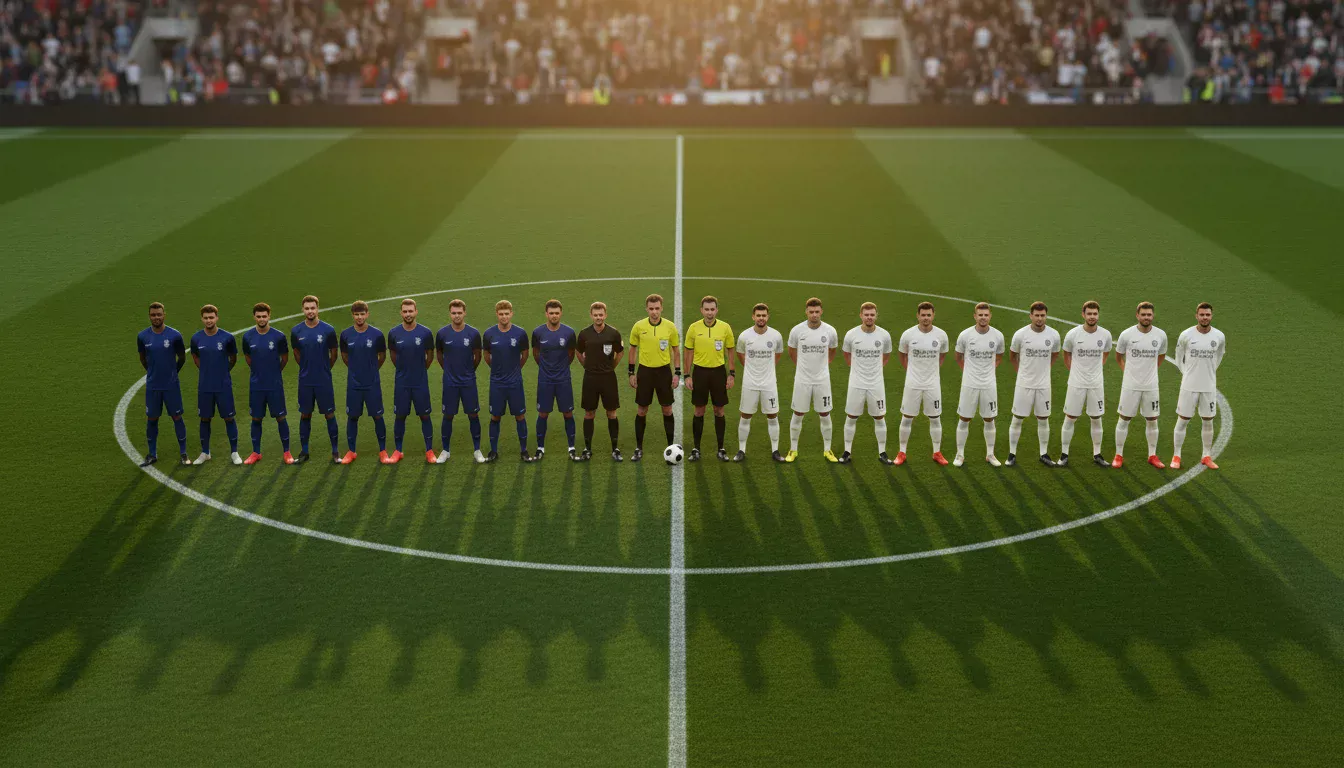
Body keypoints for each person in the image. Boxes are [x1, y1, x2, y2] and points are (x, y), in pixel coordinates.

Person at [1113, 301, 1168, 469]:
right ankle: (1118, 455)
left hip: (1151, 386)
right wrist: (1128, 372)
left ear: (1153, 316)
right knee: (1124, 418)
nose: (1146, 317)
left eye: (1149, 314)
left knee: (1152, 419)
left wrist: (1149, 372)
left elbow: (1161, 356)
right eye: (1143, 314)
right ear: (1137, 315)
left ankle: (1152, 455)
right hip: (1130, 385)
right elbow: (1118, 356)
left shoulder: (1160, 335)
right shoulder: (1127, 334)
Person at [1007, 302, 1061, 467]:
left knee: (1043, 419)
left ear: (1046, 316)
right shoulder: (1021, 335)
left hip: (1044, 385)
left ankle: (1043, 454)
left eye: (1042, 315)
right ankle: (1011, 454)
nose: (1039, 318)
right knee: (1017, 419)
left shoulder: (1053, 335)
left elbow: (1055, 354)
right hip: (1024, 384)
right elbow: (1013, 356)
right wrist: (1022, 373)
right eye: (1036, 315)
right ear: (1030, 316)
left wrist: (1044, 370)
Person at [1171, 302, 1225, 469]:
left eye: (1207, 315)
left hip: (1208, 386)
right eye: (1202, 314)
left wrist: (1208, 372)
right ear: (1196, 316)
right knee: (1183, 420)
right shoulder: (1186, 335)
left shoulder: (1219, 336)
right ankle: (1176, 456)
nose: (1205, 317)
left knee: (1208, 420)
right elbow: (1178, 358)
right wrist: (1187, 374)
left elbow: (1219, 357)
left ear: (1211, 316)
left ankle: (1206, 456)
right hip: (1189, 386)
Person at [627, 293, 680, 462]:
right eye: (651, 309)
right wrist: (631, 372)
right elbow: (633, 349)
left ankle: (670, 445)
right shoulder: (638, 326)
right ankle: (638, 448)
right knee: (642, 410)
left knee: (667, 409)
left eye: (657, 308)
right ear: (647, 309)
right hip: (645, 372)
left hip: (663, 372)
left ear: (661, 308)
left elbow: (676, 351)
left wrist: (677, 373)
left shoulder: (670, 327)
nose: (654, 312)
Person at [786, 297, 840, 462]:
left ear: (821, 312)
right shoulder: (797, 331)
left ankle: (827, 450)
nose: (814, 315)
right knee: (798, 413)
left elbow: (832, 351)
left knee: (824, 413)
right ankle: (793, 450)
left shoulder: (830, 331)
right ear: (806, 312)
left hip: (822, 380)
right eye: (811, 312)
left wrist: (822, 366)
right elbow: (791, 350)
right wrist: (802, 367)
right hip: (802, 380)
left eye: (817, 312)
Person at [683, 295, 736, 461]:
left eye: (712, 309)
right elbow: (688, 352)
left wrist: (731, 374)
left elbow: (730, 351)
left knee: (719, 410)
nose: (710, 312)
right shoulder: (693, 328)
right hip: (700, 373)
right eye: (706, 309)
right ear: (701, 310)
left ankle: (721, 448)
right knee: (699, 410)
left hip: (718, 373)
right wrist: (687, 375)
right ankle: (696, 449)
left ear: (717, 310)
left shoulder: (725, 328)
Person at [1060, 300, 1113, 468]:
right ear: (1083, 315)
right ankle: (1064, 454)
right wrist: (1076, 372)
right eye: (1089, 314)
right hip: (1076, 383)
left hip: (1096, 384)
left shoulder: (1105, 335)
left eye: (1095, 314)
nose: (1092, 317)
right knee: (1070, 418)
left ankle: (1097, 454)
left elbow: (1105, 354)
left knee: (1096, 418)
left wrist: (1093, 371)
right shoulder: (1073, 334)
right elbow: (1066, 355)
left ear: (1098, 315)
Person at [840, 301, 894, 464]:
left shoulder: (884, 335)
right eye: (866, 314)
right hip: (856, 383)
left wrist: (874, 370)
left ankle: (882, 453)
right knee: (851, 416)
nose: (869, 317)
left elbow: (886, 355)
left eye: (872, 315)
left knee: (879, 417)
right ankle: (847, 451)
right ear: (861, 315)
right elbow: (847, 354)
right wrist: (858, 369)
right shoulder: (851, 334)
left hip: (876, 384)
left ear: (876, 316)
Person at [897, 301, 950, 466]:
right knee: (907, 418)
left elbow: (942, 356)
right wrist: (913, 371)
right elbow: (902, 355)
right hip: (912, 383)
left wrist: (930, 372)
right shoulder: (908, 335)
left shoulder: (941, 335)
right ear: (917, 316)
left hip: (932, 384)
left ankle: (937, 452)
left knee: (935, 418)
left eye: (928, 315)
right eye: (923, 315)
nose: (926, 318)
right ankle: (902, 452)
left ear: (933, 315)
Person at [240, 302, 293, 465]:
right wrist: (259, 372)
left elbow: (284, 358)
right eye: (258, 316)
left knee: (281, 417)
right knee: (256, 418)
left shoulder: (278, 336)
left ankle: (287, 452)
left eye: (264, 316)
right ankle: (256, 452)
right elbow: (248, 358)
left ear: (269, 316)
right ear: (254, 317)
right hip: (257, 385)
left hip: (274, 384)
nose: (262, 319)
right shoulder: (248, 337)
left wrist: (274, 372)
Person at [137, 302, 189, 466]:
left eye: (159, 314)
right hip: (153, 386)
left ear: (164, 315)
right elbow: (143, 358)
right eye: (153, 315)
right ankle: (152, 454)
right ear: (149, 316)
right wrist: (153, 372)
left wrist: (173, 373)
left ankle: (183, 454)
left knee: (177, 417)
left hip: (171, 385)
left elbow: (181, 358)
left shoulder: (174, 335)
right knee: (152, 418)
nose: (156, 317)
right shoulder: (143, 336)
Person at [482, 300, 535, 463]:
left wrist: (514, 369)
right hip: (497, 383)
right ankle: (493, 451)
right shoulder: (489, 334)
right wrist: (498, 370)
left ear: (511, 314)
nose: (504, 317)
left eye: (506, 314)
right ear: (496, 314)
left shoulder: (520, 333)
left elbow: (525, 353)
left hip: (514, 383)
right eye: (501, 314)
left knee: (520, 415)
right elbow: (486, 355)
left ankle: (524, 450)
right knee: (495, 416)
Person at [289, 295, 340, 464]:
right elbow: (296, 353)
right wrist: (305, 367)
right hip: (305, 380)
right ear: (303, 310)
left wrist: (324, 368)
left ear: (318, 309)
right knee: (305, 414)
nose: (310, 311)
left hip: (323, 380)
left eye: (313, 308)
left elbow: (334, 354)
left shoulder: (328, 330)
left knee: (329, 414)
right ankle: (304, 451)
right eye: (307, 308)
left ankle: (335, 451)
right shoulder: (296, 331)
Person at [953, 302, 1004, 467]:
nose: (983, 317)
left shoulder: (997, 336)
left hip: (989, 384)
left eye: (986, 315)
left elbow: (999, 356)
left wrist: (988, 371)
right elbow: (958, 356)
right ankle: (960, 455)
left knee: (989, 419)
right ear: (975, 316)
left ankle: (990, 454)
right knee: (964, 418)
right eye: (980, 315)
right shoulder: (965, 335)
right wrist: (968, 371)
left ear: (990, 316)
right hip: (969, 384)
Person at [189, 304, 242, 465]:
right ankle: (205, 452)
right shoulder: (196, 338)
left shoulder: (227, 338)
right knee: (205, 419)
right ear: (202, 319)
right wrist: (206, 370)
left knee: (229, 418)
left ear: (217, 318)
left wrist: (223, 372)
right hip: (205, 386)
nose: (208, 320)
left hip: (223, 386)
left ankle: (234, 452)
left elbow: (233, 358)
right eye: (205, 318)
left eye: (211, 317)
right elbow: (195, 357)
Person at [338, 300, 390, 465]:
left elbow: (382, 356)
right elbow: (345, 356)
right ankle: (352, 451)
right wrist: (356, 369)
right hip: (354, 384)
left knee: (377, 416)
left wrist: (372, 369)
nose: (359, 317)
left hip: (372, 383)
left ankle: (382, 451)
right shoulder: (346, 335)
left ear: (367, 314)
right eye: (356, 314)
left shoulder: (377, 335)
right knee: (352, 416)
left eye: (362, 314)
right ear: (352, 315)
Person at [435, 299, 486, 464]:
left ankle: (477, 450)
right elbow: (440, 355)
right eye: (453, 313)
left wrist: (469, 371)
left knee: (473, 414)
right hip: (450, 382)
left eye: (459, 313)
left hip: (468, 382)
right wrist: (449, 370)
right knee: (448, 415)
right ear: (450, 314)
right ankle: (445, 450)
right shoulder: (442, 334)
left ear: (464, 313)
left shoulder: (473, 334)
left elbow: (477, 356)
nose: (456, 316)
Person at [733, 303, 785, 462]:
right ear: (753, 316)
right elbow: (740, 354)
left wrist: (767, 368)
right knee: (745, 415)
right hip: (750, 383)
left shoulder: (776, 336)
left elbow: (778, 354)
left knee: (772, 415)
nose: (761, 318)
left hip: (769, 384)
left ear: (768, 317)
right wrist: (752, 367)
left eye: (764, 315)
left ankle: (775, 450)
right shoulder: (744, 336)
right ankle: (741, 450)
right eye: (758, 315)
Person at [387, 298, 436, 464]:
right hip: (402, 383)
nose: (408, 314)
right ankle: (398, 450)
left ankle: (429, 450)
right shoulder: (394, 333)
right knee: (400, 416)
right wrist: (403, 370)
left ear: (416, 312)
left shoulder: (425, 333)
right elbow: (393, 356)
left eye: (410, 311)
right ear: (401, 313)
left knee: (424, 415)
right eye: (405, 311)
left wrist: (420, 370)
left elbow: (430, 356)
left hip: (420, 382)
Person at [575, 301, 624, 461]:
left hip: (608, 378)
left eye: (601, 314)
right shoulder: (584, 334)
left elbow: (620, 352)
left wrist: (611, 367)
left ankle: (615, 449)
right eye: (595, 315)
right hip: (590, 378)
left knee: (611, 413)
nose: (598, 317)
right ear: (591, 316)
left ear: (605, 315)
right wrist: (587, 366)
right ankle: (587, 449)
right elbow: (578, 351)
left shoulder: (613, 333)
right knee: (589, 413)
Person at [531, 299, 578, 460]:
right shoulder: (538, 332)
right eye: (551, 313)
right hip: (545, 380)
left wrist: (561, 367)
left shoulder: (569, 332)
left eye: (557, 313)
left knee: (568, 413)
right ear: (546, 314)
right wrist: (547, 368)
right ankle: (540, 447)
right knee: (543, 413)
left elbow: (571, 353)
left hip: (563, 379)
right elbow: (536, 354)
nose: (554, 316)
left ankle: (571, 447)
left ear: (561, 313)